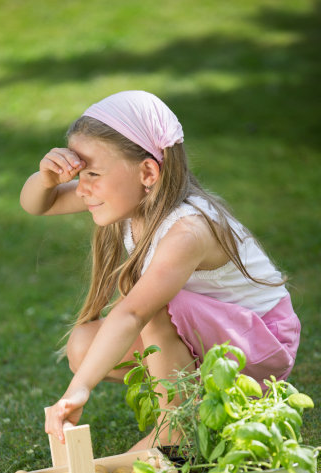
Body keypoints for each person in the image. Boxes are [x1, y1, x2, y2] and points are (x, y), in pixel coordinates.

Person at [20, 90, 300, 451]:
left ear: (148, 171)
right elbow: (38, 205)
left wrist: (78, 391)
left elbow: (134, 313)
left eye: (91, 172)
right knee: (83, 347)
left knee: (149, 309)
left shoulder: (188, 230)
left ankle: (175, 431)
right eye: (78, 172)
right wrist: (46, 178)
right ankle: (198, 405)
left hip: (259, 344)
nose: (82, 187)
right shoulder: (129, 195)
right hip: (218, 338)